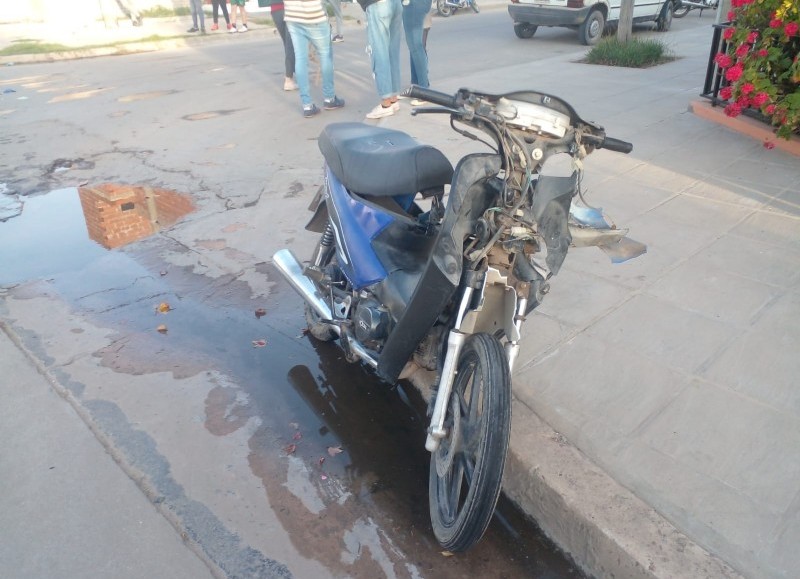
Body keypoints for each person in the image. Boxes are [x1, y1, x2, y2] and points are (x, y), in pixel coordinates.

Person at [285, 0, 345, 117]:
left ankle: (307, 105)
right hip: (314, 15)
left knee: (300, 59)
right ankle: (329, 98)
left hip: (292, 16)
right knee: (325, 55)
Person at [358, 0, 403, 119]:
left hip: (377, 5)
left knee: (380, 53)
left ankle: (386, 104)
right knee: (392, 52)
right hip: (395, 4)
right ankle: (393, 98)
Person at [402, 0, 432, 95]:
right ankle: (416, 86)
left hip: (416, 4)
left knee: (416, 45)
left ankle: (423, 91)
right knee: (413, 47)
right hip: (414, 4)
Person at [268, 0, 298, 90]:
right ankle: (289, 79)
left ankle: (291, 73)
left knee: (287, 44)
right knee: (290, 45)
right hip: (289, 8)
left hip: (275, 9)